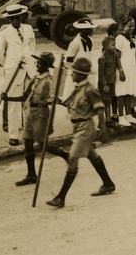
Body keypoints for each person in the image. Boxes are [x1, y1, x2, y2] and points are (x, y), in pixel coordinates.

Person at [46, 58, 116, 208]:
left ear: (81, 74)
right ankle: (108, 184)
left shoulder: (90, 90)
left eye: (74, 73)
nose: (71, 75)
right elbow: (69, 103)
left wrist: (103, 131)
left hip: (86, 128)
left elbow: (100, 110)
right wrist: (55, 100)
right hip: (77, 127)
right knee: (92, 155)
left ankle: (60, 197)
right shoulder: (78, 88)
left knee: (72, 160)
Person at [3, 52, 70, 186]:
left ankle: (65, 156)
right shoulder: (34, 79)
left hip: (41, 113)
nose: (37, 65)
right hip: (29, 112)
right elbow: (24, 97)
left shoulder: (49, 81)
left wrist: (61, 101)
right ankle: (31, 175)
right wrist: (7, 97)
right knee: (27, 142)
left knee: (42, 144)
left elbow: (54, 97)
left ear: (46, 65)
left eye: (40, 63)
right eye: (37, 62)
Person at [0, 4, 36, 146]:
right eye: (12, 19)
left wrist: (29, 60)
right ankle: (13, 134)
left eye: (17, 18)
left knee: (29, 103)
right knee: (13, 104)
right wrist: (10, 66)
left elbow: (32, 46)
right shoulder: (4, 34)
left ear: (21, 17)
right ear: (9, 19)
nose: (15, 21)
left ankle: (29, 133)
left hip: (29, 71)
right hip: (13, 72)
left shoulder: (28, 29)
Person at [114, 16, 136, 126]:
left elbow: (133, 54)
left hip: (132, 67)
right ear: (123, 26)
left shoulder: (134, 37)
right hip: (123, 67)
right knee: (121, 92)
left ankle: (128, 115)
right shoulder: (119, 38)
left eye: (133, 26)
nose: (132, 28)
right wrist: (121, 70)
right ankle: (121, 117)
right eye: (129, 26)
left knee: (129, 91)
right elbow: (117, 56)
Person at [96, 36, 117, 142]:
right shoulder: (102, 58)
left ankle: (108, 120)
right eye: (113, 45)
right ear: (105, 46)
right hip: (105, 84)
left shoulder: (113, 55)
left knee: (109, 102)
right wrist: (104, 85)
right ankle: (102, 122)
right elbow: (101, 74)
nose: (115, 47)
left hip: (112, 82)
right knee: (104, 103)